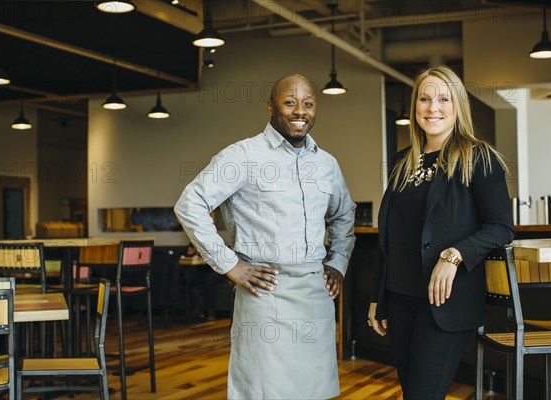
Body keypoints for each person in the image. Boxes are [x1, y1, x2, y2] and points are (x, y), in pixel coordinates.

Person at [175, 74, 356, 399]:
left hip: (315, 296)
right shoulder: (243, 155)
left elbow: (344, 214)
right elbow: (190, 204)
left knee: (313, 391)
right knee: (263, 392)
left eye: (308, 103)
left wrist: (338, 262)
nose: (300, 111)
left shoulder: (326, 164)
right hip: (265, 292)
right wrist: (230, 264)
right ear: (271, 107)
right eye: (290, 102)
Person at [367, 65, 514, 399]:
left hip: (444, 303)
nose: (433, 107)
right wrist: (378, 297)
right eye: (425, 98)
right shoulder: (402, 162)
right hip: (401, 301)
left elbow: (502, 227)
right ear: (415, 106)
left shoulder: (478, 157)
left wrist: (454, 255)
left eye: (443, 98)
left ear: (457, 105)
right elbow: (389, 237)